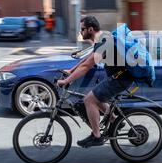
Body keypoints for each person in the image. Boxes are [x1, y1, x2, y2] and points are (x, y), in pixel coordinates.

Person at [57, 16, 134, 148]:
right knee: (95, 96)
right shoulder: (102, 39)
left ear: (90, 29)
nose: (80, 32)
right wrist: (71, 70)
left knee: (89, 100)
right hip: (117, 77)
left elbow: (87, 66)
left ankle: (97, 136)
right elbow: (88, 59)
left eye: (82, 29)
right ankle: (115, 121)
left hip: (120, 79)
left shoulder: (104, 40)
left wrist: (66, 81)